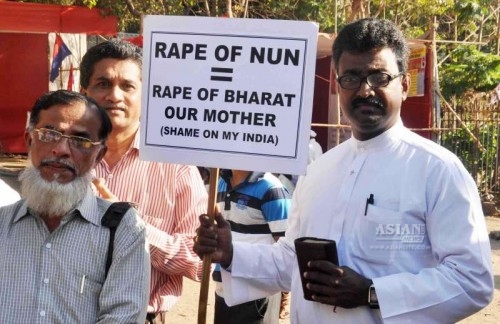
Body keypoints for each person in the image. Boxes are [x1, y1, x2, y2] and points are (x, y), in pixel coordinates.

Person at [193, 18, 494, 323]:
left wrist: (372, 293)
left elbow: (471, 281)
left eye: (379, 77)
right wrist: (231, 253)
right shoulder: (318, 170)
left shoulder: (438, 171)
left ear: (404, 85)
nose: (365, 90)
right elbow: (290, 263)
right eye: (351, 77)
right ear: (338, 85)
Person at [80, 39, 209, 323]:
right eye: (103, 84)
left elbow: (201, 264)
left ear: (146, 95)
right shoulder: (64, 161)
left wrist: (133, 226)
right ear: (84, 93)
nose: (115, 96)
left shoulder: (176, 168)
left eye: (127, 86)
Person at [0, 90, 150, 322]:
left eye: (81, 140)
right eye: (50, 134)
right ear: (30, 140)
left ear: (98, 155)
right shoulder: (2, 224)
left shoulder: (123, 230)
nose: (61, 149)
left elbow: (123, 318)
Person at [212, 169, 290, 324]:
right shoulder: (220, 182)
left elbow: (287, 250)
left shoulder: (272, 189)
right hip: (223, 291)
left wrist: (285, 295)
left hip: (257, 295)